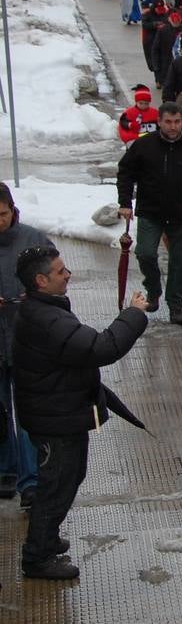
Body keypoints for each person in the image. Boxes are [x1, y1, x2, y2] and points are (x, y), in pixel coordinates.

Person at [12, 245, 148, 579]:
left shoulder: (44, 308)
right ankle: (37, 557)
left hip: (59, 412)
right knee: (56, 485)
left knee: (68, 478)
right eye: (61, 271)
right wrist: (133, 314)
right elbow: (102, 347)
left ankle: (46, 537)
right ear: (41, 280)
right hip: (55, 419)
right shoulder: (48, 318)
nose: (68, 274)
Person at [116, 102, 182, 325]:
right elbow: (125, 172)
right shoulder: (144, 145)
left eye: (177, 121)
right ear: (159, 122)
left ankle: (175, 305)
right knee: (145, 253)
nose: (173, 127)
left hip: (181, 214)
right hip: (150, 212)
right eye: (168, 122)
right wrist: (125, 202)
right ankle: (153, 289)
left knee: (179, 263)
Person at [0, 184, 53, 505]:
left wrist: (33, 296)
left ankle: (30, 480)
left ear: (12, 210)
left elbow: (57, 279)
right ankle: (6, 468)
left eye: (2, 214)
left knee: (29, 412)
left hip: (26, 341)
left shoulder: (33, 241)